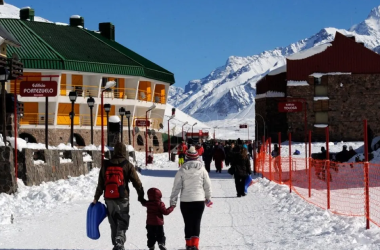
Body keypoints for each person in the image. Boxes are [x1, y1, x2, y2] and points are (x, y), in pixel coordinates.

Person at [93, 142, 145, 250]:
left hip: (109, 198)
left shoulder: (106, 165)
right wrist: (141, 195)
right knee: (122, 218)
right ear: (124, 151)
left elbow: (100, 184)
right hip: (122, 197)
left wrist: (96, 198)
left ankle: (116, 244)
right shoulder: (127, 164)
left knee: (113, 221)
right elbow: (137, 182)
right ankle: (120, 240)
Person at [170, 146, 212, 250]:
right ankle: (195, 245)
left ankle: (189, 245)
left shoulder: (182, 170)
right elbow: (207, 185)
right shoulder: (202, 169)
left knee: (188, 223)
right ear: (197, 157)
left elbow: (176, 187)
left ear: (187, 157)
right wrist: (208, 198)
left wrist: (173, 202)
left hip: (185, 201)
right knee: (197, 222)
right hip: (199, 200)